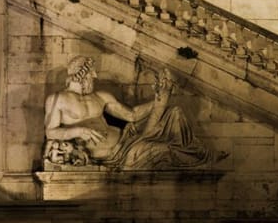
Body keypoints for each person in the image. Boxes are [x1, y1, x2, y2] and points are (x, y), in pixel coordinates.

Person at [44, 56, 209, 170]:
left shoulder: (101, 96)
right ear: (82, 75)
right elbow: (50, 131)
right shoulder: (58, 99)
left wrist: (159, 99)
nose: (94, 77)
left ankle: (199, 159)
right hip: (113, 155)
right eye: (91, 74)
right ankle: (200, 161)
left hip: (125, 141)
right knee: (161, 149)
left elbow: (133, 115)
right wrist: (79, 130)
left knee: (174, 113)